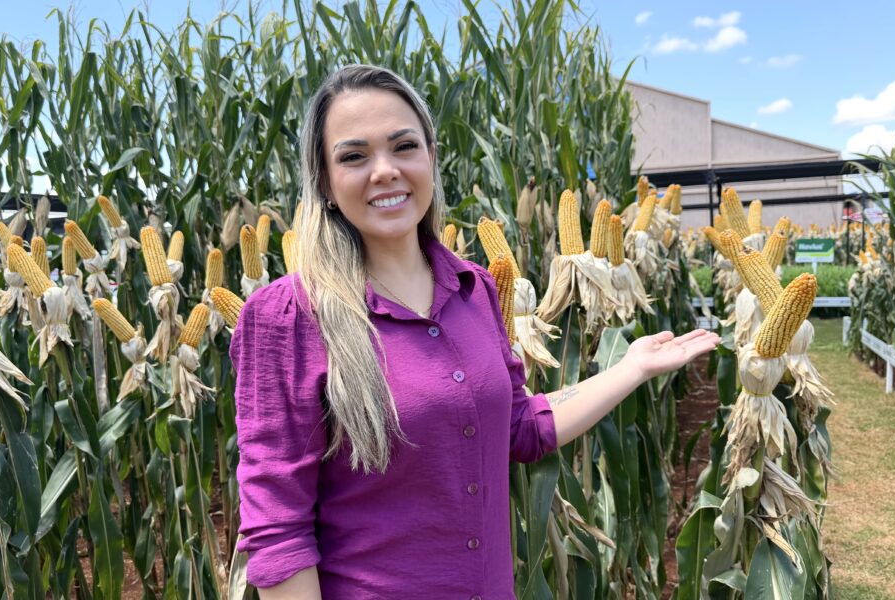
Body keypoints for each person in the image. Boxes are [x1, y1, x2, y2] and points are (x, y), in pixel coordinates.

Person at [229, 64, 720, 599]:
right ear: (324, 181)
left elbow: (519, 427)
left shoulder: (476, 289)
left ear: (431, 157)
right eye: (354, 156)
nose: (385, 171)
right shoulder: (287, 317)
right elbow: (278, 534)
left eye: (404, 146)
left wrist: (631, 368)